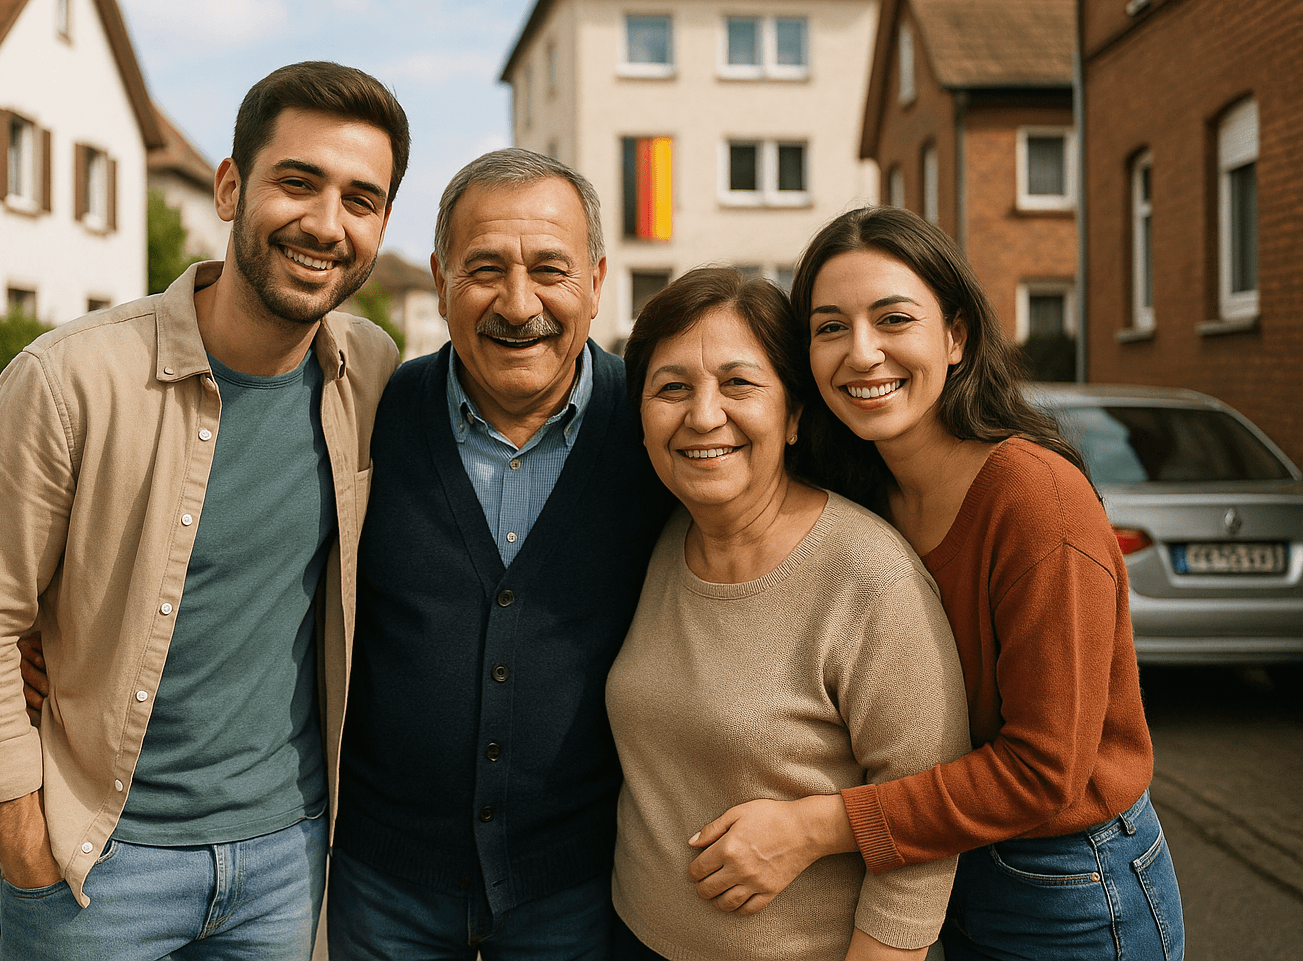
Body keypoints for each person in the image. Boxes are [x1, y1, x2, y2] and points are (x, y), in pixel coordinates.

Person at [0, 61, 408, 960]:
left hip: (284, 859)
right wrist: (26, 848)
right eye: (297, 183)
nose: (325, 223)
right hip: (97, 870)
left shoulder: (370, 373)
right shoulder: (69, 380)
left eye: (361, 199)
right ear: (231, 187)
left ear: (381, 226)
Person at [779, 206, 1185, 960]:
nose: (861, 353)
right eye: (829, 327)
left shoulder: (1035, 502)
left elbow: (1044, 771)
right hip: (946, 859)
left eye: (893, 319)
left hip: (1068, 881)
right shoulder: (863, 493)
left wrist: (815, 826)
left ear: (956, 336)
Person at [326, 148, 676, 959]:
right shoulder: (370, 412)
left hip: (580, 884)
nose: (520, 305)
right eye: (485, 268)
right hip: (388, 882)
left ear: (595, 279)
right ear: (442, 279)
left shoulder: (659, 427)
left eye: (549, 269)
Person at [606, 268, 971, 961]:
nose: (703, 415)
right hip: (633, 940)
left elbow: (924, 832)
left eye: (739, 384)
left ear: (796, 415)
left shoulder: (869, 579)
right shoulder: (661, 542)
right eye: (672, 388)